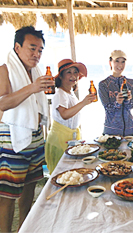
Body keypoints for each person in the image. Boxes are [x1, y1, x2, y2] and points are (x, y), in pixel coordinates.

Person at [0, 26, 54, 232]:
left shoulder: (35, 71)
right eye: (32, 48)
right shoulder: (4, 69)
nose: (36, 54)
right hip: (13, 137)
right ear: (17, 46)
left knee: (30, 187)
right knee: (7, 194)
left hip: (35, 136)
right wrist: (32, 87)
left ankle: (25, 227)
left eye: (40, 50)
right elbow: (3, 103)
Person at [45, 59, 96, 174]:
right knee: (60, 174)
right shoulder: (59, 93)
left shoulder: (69, 92)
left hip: (69, 137)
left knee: (69, 172)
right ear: (61, 77)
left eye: (75, 72)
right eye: (69, 72)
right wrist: (83, 103)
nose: (73, 76)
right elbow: (64, 114)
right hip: (59, 139)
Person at [98, 50, 133, 136]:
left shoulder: (131, 83)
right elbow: (108, 108)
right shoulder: (104, 84)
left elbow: (131, 106)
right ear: (110, 62)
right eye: (117, 61)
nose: (120, 65)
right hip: (111, 130)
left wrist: (127, 100)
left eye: (123, 62)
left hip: (129, 129)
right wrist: (117, 103)